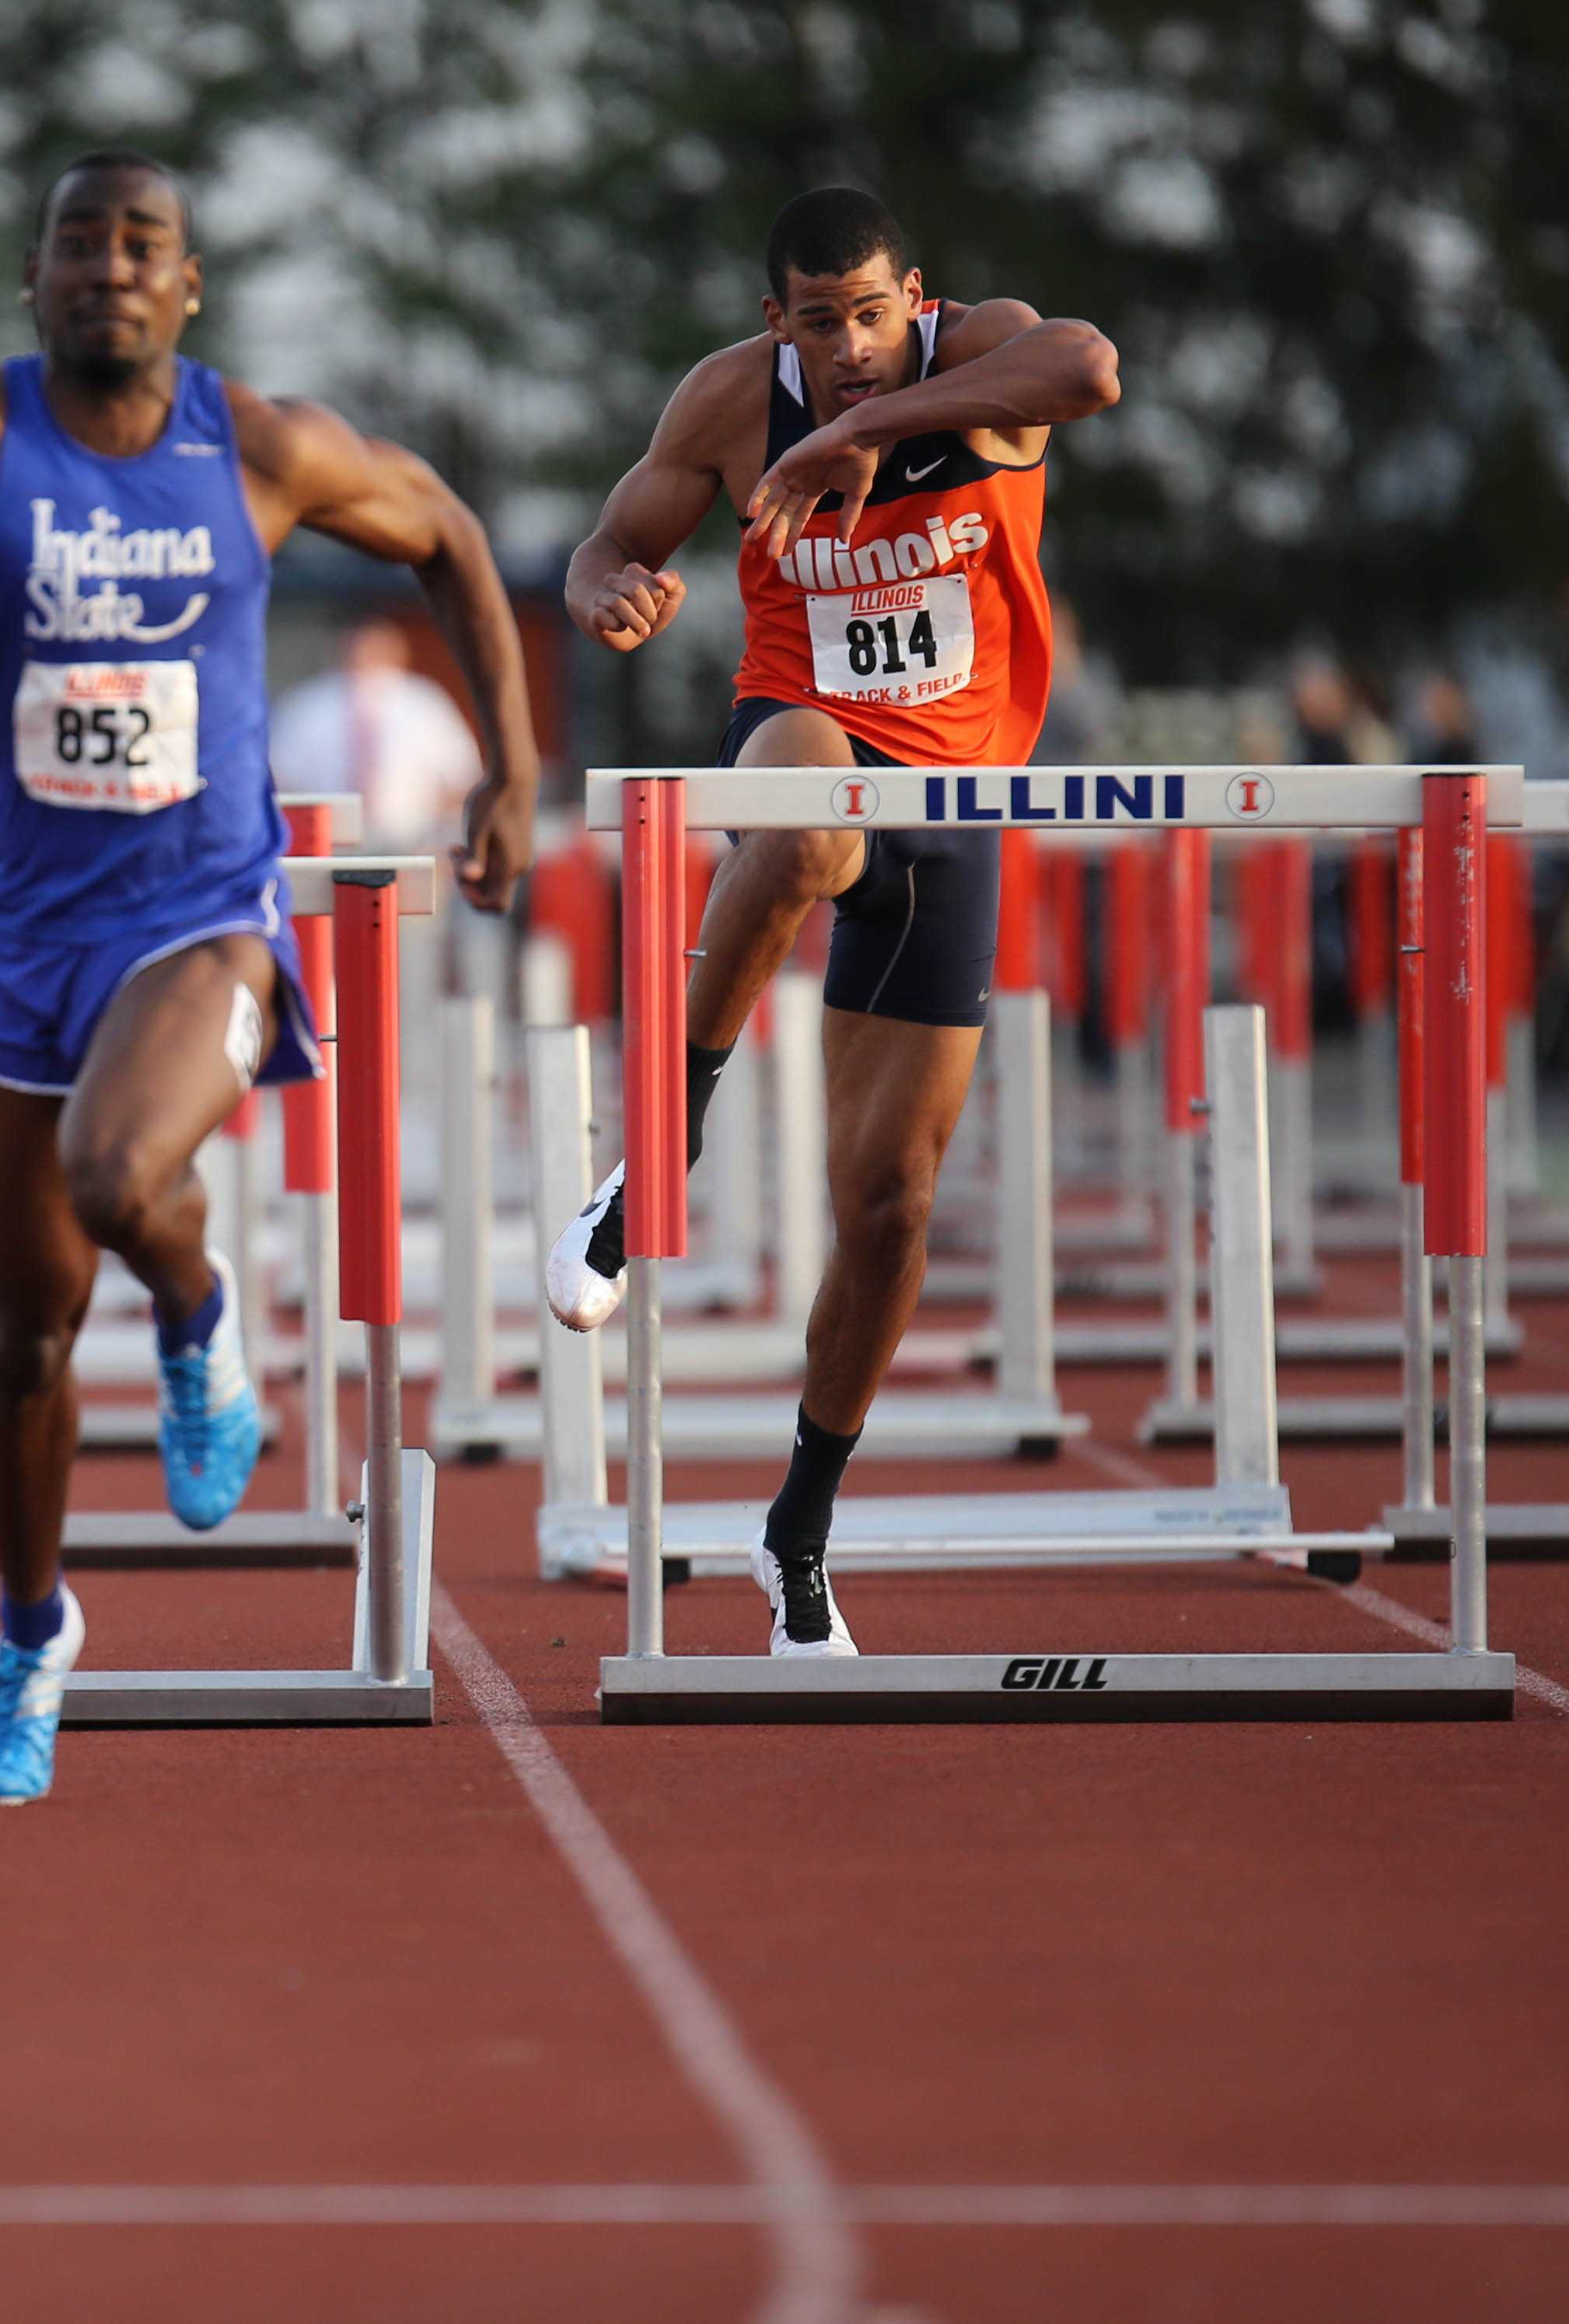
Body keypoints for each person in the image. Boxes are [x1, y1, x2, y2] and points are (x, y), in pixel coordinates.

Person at [0, 149, 540, 1802]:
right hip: (16, 940)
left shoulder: (255, 446)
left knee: (118, 1171)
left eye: (143, 245)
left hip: (201, 915)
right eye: (80, 244)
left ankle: (204, 1317)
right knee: (24, 1339)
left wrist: (511, 767)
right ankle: (31, 1630)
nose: (110, 269)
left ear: (187, 285)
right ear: (35, 275)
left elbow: (449, 535)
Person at [546, 185, 1117, 1657]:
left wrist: (851, 435)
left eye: (870, 315)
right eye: (819, 324)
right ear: (773, 320)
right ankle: (657, 1139)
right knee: (798, 823)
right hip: (801, 720)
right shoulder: (727, 400)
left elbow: (1088, 371)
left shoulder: (978, 351)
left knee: (889, 1209)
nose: (851, 348)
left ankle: (797, 1526)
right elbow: (605, 539)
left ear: (909, 296)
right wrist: (611, 590)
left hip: (955, 804)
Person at [269, 613, 484, 851]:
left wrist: (439, 840)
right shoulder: (307, 705)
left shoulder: (425, 703)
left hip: (412, 844)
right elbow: (279, 780)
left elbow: (461, 781)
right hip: (325, 845)